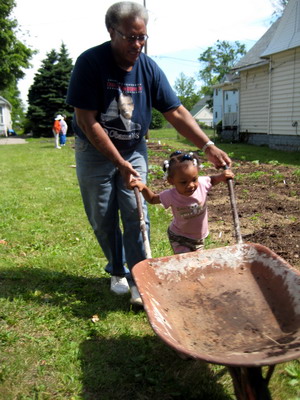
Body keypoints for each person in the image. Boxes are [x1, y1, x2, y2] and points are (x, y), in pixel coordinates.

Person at [66, 1, 231, 306]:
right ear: (111, 31)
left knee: (136, 214)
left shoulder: (148, 68)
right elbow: (86, 121)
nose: (138, 44)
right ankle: (116, 269)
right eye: (131, 37)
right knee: (102, 217)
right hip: (94, 151)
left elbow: (177, 112)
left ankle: (139, 278)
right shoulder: (90, 63)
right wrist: (118, 162)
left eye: (143, 37)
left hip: (134, 147)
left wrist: (207, 146)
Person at [130, 151, 234, 254]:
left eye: (194, 179)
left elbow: (212, 180)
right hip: (179, 237)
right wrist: (143, 188)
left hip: (199, 238)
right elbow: (152, 199)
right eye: (184, 182)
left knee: (195, 262)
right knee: (187, 261)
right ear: (171, 181)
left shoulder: (202, 184)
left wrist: (221, 177)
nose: (191, 185)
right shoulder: (171, 195)